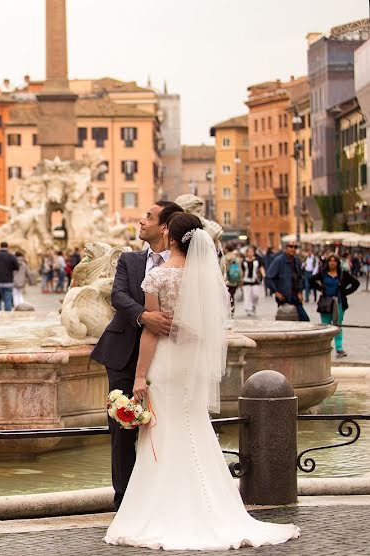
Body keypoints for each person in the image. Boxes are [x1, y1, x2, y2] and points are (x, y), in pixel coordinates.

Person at [104, 212, 300, 550]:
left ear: (172, 238)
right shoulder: (208, 282)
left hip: (165, 363)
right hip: (191, 366)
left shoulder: (159, 277)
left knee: (161, 432)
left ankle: (161, 509)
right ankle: (212, 506)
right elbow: (210, 330)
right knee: (194, 427)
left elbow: (152, 331)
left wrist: (139, 375)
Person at [91, 200, 183, 510]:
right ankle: (124, 499)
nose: (141, 221)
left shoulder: (183, 264)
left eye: (149, 216)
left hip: (166, 356)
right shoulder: (129, 260)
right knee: (122, 426)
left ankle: (161, 493)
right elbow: (117, 296)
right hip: (123, 354)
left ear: (165, 227)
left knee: (164, 424)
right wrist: (145, 316)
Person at [310, 253, 360, 358]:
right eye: (330, 261)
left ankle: (339, 347)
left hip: (339, 303)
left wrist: (344, 292)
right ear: (327, 262)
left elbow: (356, 283)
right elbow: (311, 280)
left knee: (338, 325)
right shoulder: (323, 273)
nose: (332, 263)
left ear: (337, 263)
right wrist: (320, 289)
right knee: (325, 325)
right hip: (325, 303)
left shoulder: (343, 274)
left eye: (334, 261)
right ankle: (324, 347)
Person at [265, 242, 308, 321]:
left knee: (304, 320)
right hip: (284, 297)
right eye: (290, 247)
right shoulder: (279, 260)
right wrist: (276, 292)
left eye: (295, 247)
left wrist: (300, 292)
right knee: (286, 321)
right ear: (286, 248)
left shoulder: (296, 261)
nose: (293, 249)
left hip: (295, 297)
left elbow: (300, 277)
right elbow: (268, 277)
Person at [0, 242, 19, 311]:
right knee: (8, 300)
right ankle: (7, 315)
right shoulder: (12, 256)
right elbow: (17, 267)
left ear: (0, 246)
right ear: (7, 247)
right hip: (8, 282)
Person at [240, 247, 264, 317]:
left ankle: (253, 305)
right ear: (246, 253)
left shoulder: (257, 260)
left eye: (252, 252)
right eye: (249, 252)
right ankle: (249, 309)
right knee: (247, 296)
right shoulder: (244, 261)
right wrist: (241, 281)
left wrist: (264, 275)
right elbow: (242, 271)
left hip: (255, 280)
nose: (250, 253)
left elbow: (261, 268)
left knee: (256, 295)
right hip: (246, 281)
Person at [224, 246, 242, 316]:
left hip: (226, 281)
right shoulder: (236, 259)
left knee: (226, 296)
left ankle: (227, 310)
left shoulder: (224, 258)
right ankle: (232, 309)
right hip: (234, 281)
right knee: (232, 295)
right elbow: (239, 270)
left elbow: (221, 269)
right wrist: (240, 279)